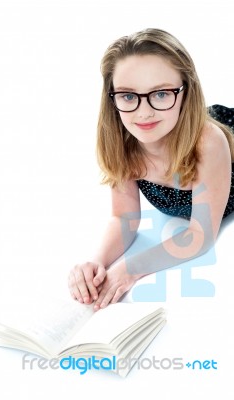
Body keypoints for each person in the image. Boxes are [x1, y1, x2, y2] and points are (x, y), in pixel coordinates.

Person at [68, 28, 234, 311]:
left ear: (185, 91)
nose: (143, 113)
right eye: (129, 96)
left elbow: (201, 234)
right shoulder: (122, 140)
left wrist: (129, 269)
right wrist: (97, 261)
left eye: (160, 94)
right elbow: (124, 218)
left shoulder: (208, 141)